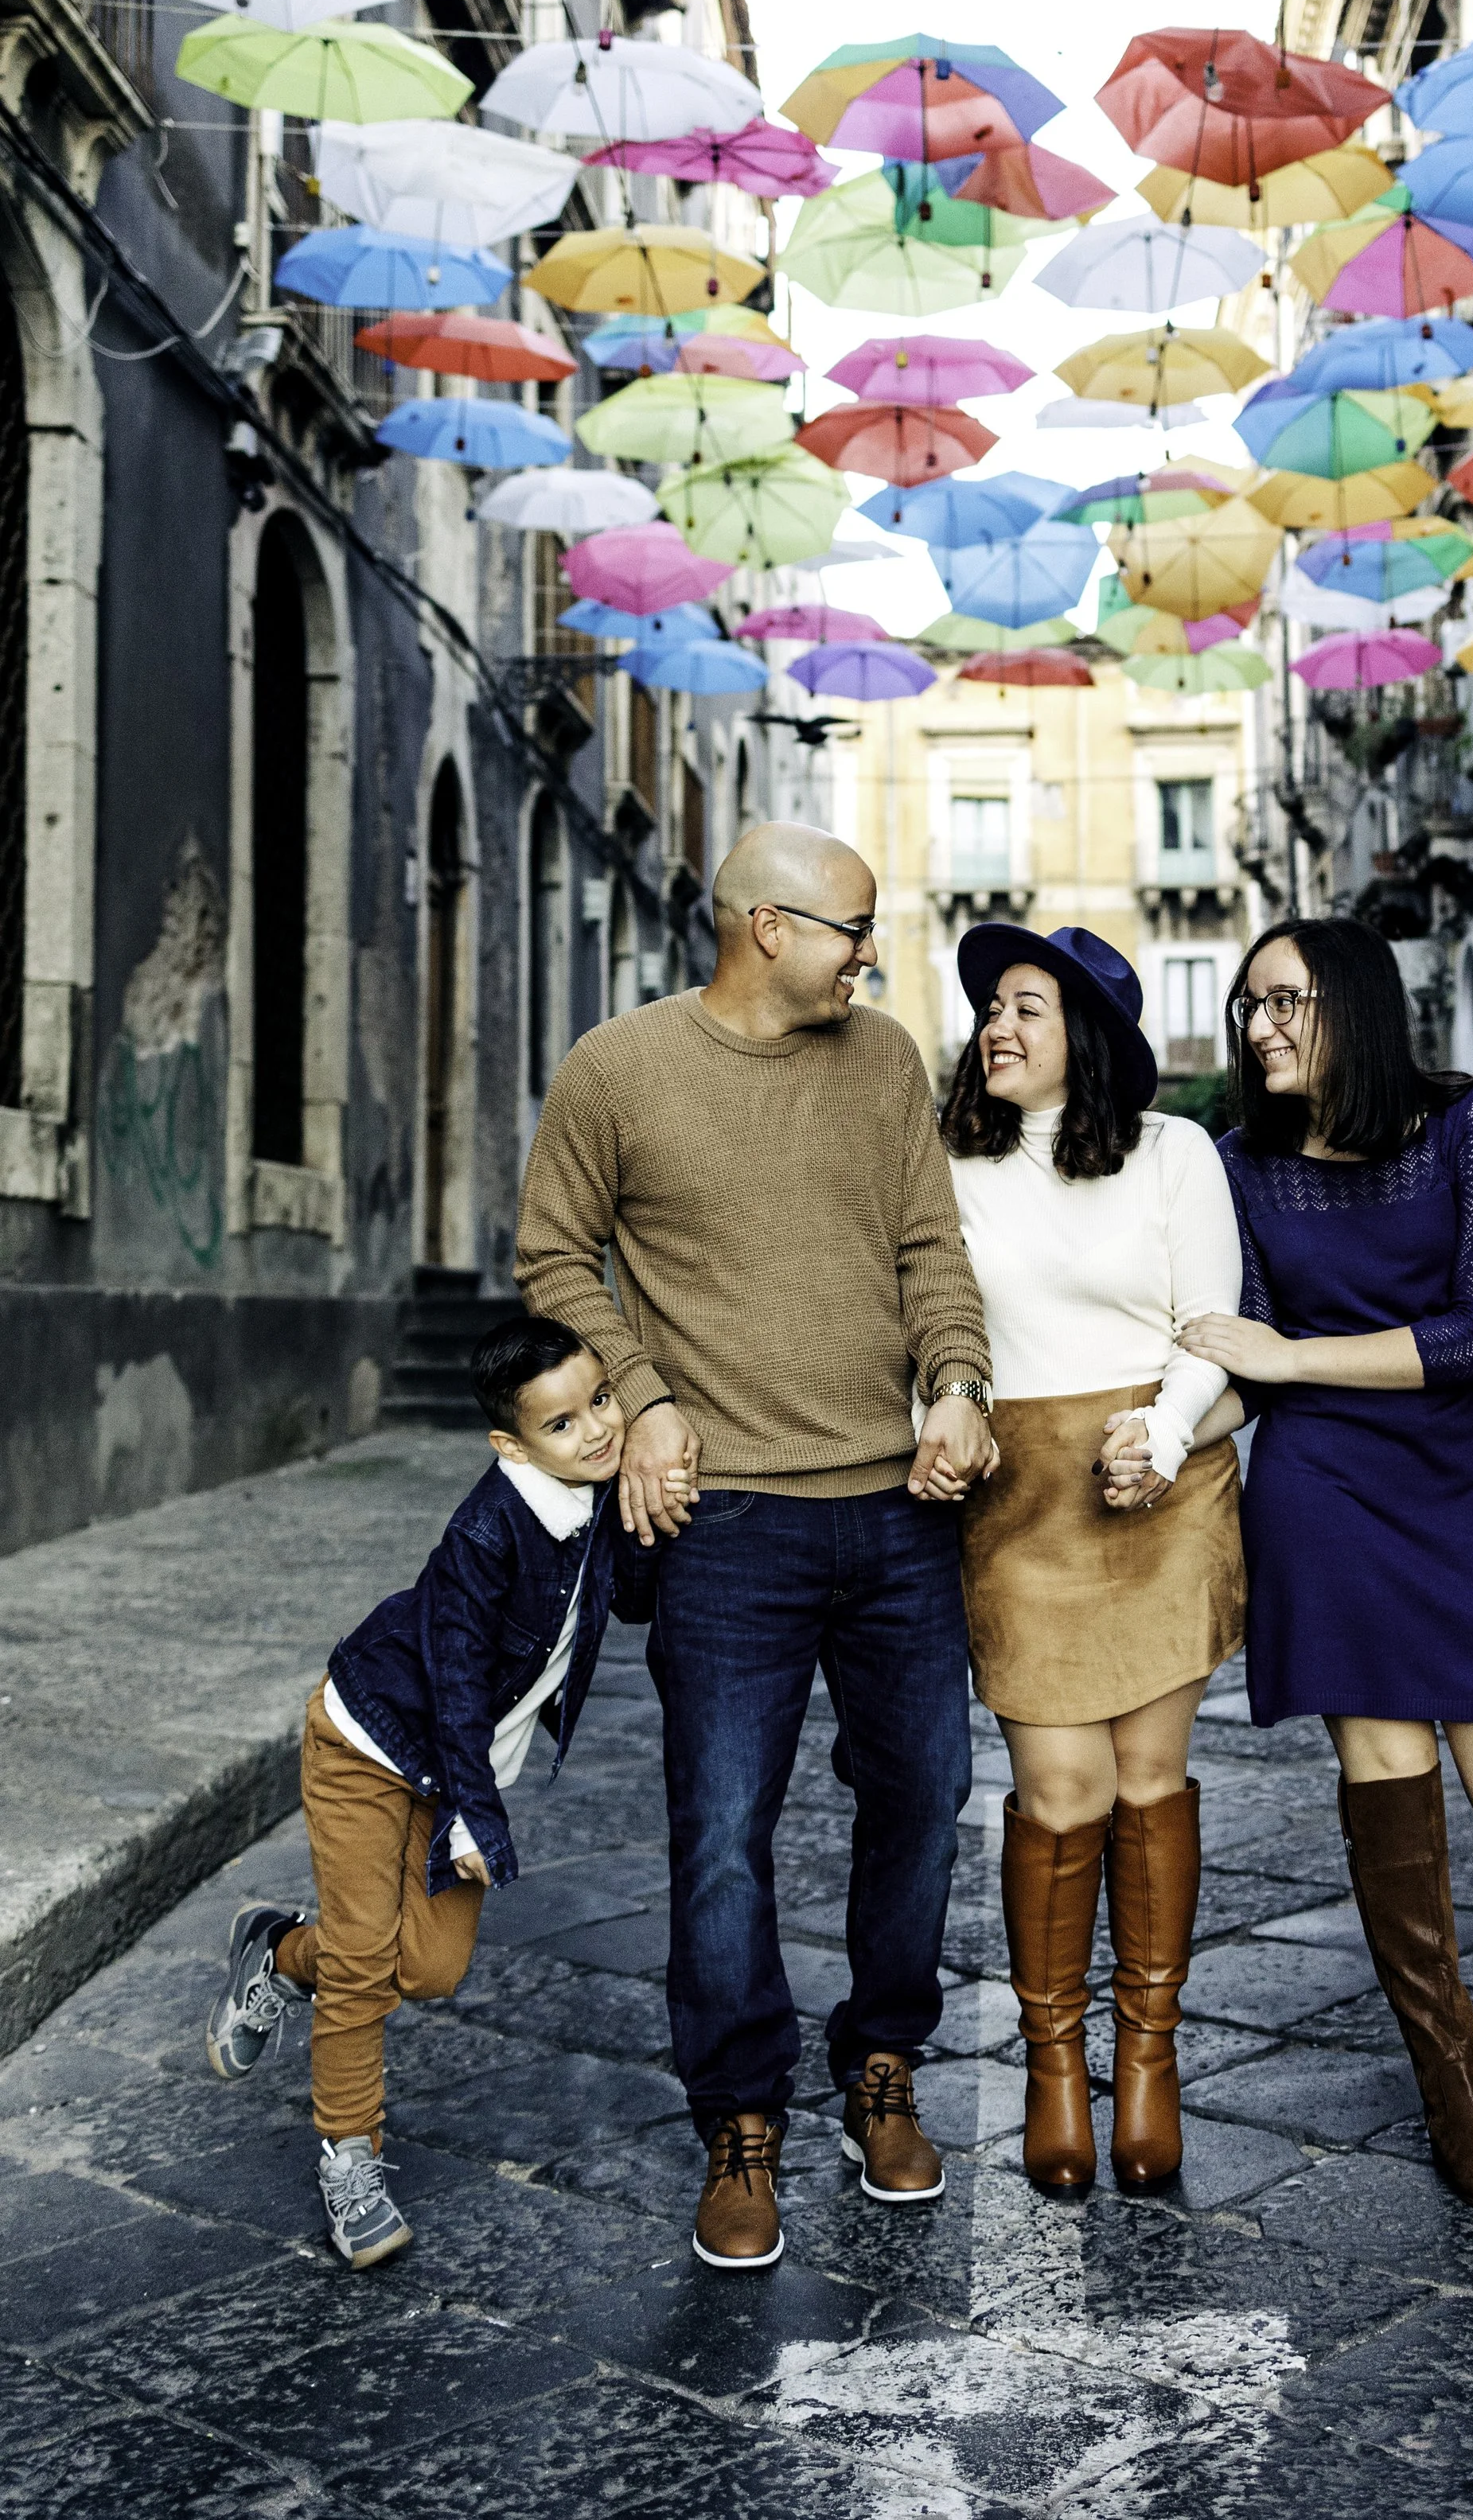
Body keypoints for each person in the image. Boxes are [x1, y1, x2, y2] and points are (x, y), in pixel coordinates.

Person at [513, 822, 999, 2274]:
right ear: (764, 927)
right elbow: (552, 1260)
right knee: (723, 1835)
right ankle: (739, 2118)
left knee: (925, 1792)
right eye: (852, 927)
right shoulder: (617, 1071)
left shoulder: (886, 1061)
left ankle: (881, 2064)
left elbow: (930, 1247)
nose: (871, 953)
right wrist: (645, 1403)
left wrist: (960, 1384)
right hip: (724, 1524)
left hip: (899, 1513)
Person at [1175, 917, 1473, 2216]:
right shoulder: (1239, 1165)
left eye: (1284, 1002)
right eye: (1250, 1009)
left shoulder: (1465, 1126)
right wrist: (1168, 1433)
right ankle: (1455, 2093)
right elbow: (1244, 1355)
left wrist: (1283, 1362)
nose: (1261, 1028)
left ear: (1355, 1005)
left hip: (1462, 1488)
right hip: (1323, 1491)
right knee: (1387, 1783)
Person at [204, 1314, 652, 2269]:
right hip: (370, 1745)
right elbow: (454, 1693)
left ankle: (281, 1954)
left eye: (601, 1401)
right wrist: (472, 1816)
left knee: (433, 1969)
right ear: (511, 1445)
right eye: (563, 1424)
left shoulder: (600, 1492)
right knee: (366, 1969)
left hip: (447, 1764)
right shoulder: (485, 1534)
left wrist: (665, 1495)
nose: (597, 1430)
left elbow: (633, 1590)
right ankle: (350, 2158)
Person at [941, 923, 1244, 2194]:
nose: (997, 1027)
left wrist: (1167, 1430)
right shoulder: (944, 1161)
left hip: (1161, 1487)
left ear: (1093, 1040)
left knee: (1145, 1778)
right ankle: (1053, 2065)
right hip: (1021, 1507)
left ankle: (1152, 2058)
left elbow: (1216, 1320)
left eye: (1027, 1007)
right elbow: (928, 1324)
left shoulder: (1175, 1152)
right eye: (992, 1008)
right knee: (1058, 1791)